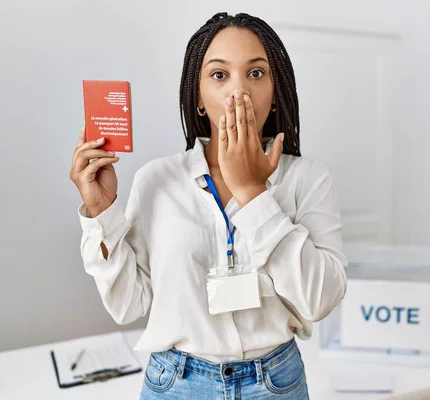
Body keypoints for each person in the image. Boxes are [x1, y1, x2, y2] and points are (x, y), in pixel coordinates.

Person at [69, 11, 348, 400]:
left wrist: (254, 193)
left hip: (275, 383)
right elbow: (127, 304)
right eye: (219, 75)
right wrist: (102, 213)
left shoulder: (309, 179)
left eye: (255, 73)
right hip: (176, 384)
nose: (240, 92)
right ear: (199, 98)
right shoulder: (156, 180)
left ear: (275, 89)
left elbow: (321, 299)